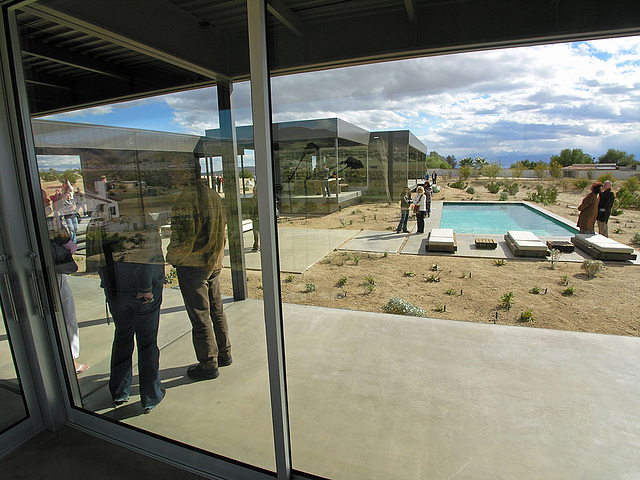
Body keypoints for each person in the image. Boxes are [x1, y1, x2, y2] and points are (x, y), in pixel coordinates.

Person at [166, 164, 232, 381]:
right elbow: (222, 230)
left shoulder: (185, 200)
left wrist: (172, 259)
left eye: (174, 171)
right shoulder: (213, 195)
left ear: (186, 173)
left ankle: (208, 363)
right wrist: (218, 258)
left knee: (200, 316)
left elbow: (183, 241)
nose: (170, 175)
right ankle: (224, 353)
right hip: (212, 263)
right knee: (217, 310)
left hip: (193, 266)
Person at [98, 211, 166, 413]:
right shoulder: (143, 221)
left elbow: (99, 257)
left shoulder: (104, 222)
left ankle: (119, 392)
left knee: (122, 337)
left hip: (116, 291)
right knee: (147, 343)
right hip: (141, 294)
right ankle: (151, 396)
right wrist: (145, 289)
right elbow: (146, 257)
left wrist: (109, 286)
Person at [248, 184, 260, 250]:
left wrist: (251, 216)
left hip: (255, 217)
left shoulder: (253, 199)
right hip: (260, 217)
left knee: (255, 232)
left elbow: (251, 208)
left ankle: (256, 245)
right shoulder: (261, 198)